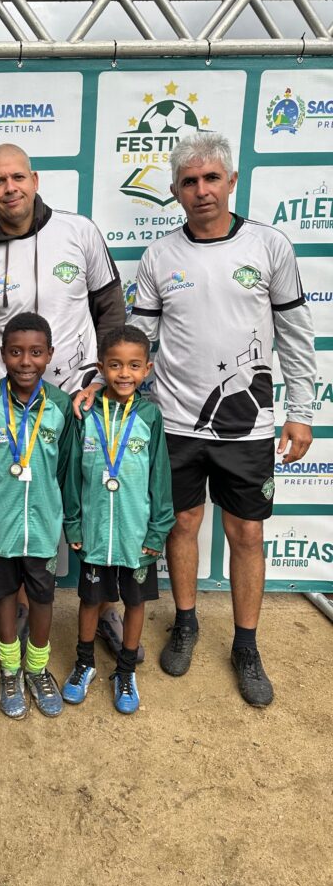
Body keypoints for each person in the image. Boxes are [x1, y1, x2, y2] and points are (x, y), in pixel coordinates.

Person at [79, 132, 315, 707]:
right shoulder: (160, 256)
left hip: (248, 427)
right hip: (175, 422)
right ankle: (185, 623)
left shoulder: (269, 245)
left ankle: (246, 645)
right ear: (175, 191)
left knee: (246, 533)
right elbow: (138, 340)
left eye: (212, 178)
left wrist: (303, 411)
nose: (202, 190)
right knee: (182, 525)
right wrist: (101, 381)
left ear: (231, 181)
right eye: (190, 181)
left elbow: (295, 333)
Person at [0, 143, 130, 656]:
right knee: (22, 501)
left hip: (83, 396)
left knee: (100, 499)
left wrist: (105, 376)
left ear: (35, 179)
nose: (10, 188)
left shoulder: (79, 233)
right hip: (14, 406)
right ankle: (26, 608)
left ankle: (107, 609)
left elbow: (110, 309)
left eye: (18, 177)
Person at [0, 312, 80, 720]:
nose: (26, 361)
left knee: (42, 597)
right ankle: (9, 669)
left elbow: (67, 470)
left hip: (44, 525)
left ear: (50, 354)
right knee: (3, 596)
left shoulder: (61, 405)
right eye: (15, 352)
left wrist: (70, 521)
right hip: (0, 526)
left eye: (35, 352)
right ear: (2, 354)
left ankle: (36, 669)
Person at [62, 325, 174, 715]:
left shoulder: (150, 416)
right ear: (101, 367)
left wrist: (158, 530)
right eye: (115, 365)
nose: (124, 373)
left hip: (136, 533)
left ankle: (125, 671)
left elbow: (160, 477)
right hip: (95, 532)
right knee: (90, 599)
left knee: (135, 602)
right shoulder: (86, 413)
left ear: (147, 369)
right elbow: (72, 473)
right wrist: (73, 522)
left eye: (133, 365)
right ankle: (84, 664)